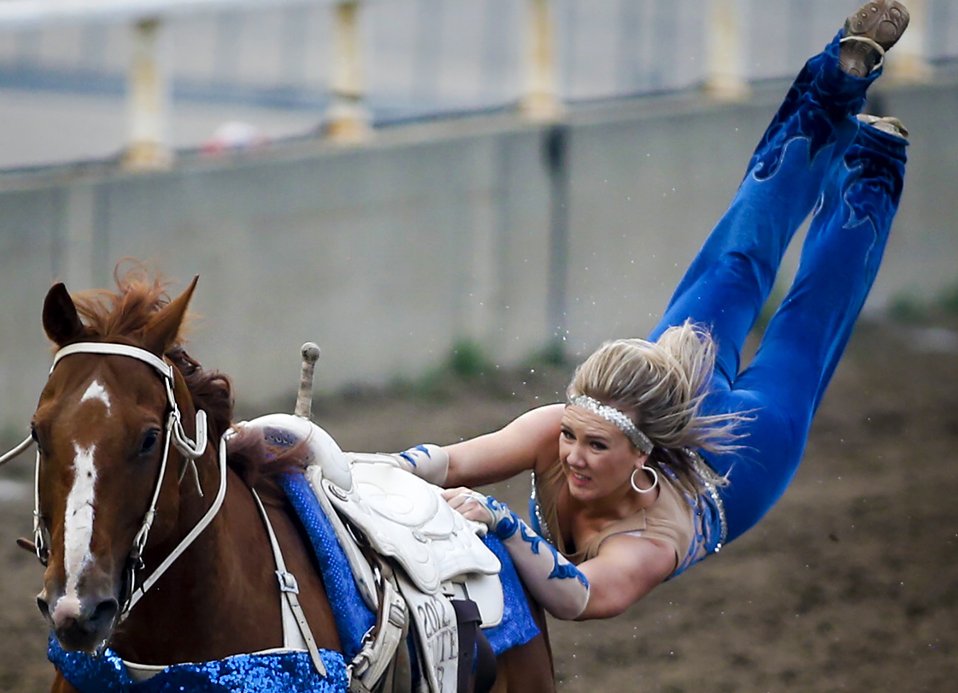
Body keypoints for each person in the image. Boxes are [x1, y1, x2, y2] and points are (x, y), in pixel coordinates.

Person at [378, 1, 911, 622]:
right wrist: (361, 468)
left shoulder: (654, 536)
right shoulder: (561, 429)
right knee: (741, 269)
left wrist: (502, 522)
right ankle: (838, 85)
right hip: (682, 388)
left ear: (642, 457)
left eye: (595, 445)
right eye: (571, 434)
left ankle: (874, 162)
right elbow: (448, 462)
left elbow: (579, 596)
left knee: (801, 320)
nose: (572, 454)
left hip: (745, 456)